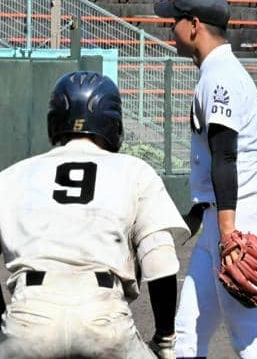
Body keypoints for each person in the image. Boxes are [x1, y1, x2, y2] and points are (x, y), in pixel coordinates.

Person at [0, 71, 190, 359]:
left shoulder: (12, 176)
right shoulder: (135, 171)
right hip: (104, 318)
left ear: (54, 121)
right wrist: (164, 341)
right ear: (113, 123)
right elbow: (160, 264)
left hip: (29, 316)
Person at [154, 0, 257, 358]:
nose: (171, 28)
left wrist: (228, 236)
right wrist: (199, 214)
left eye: (175, 20)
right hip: (226, 216)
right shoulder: (217, 72)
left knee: (250, 337)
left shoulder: (220, 76)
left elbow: (226, 155)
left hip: (241, 218)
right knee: (188, 331)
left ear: (194, 25)